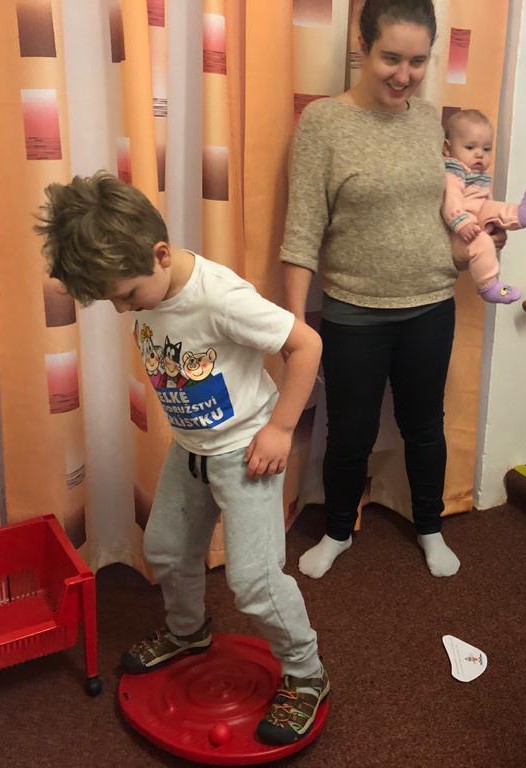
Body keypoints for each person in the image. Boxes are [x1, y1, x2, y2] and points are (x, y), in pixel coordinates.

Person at [34, 171, 329, 746]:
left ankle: (306, 671)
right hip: (192, 449)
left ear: (161, 254)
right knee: (166, 548)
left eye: (126, 297)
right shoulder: (145, 282)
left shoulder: (219, 296)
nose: (122, 309)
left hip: (247, 453)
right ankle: (189, 631)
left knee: (254, 582)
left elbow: (306, 344)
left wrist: (280, 429)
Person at [280, 0, 507, 581]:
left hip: (431, 303)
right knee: (349, 432)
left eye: (418, 61)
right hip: (354, 310)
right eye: (391, 58)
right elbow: (302, 231)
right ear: (362, 46)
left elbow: (443, 211)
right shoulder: (324, 123)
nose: (404, 75)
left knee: (424, 425)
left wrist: (478, 243)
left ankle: (430, 526)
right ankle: (337, 530)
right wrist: (294, 325)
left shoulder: (431, 121)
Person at [442, 108, 526, 304]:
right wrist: (463, 224)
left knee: (493, 207)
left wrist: (496, 224)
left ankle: (519, 215)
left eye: (486, 149)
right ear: (447, 148)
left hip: (475, 217)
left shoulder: (478, 177)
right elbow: (451, 202)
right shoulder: (453, 173)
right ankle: (489, 286)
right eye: (470, 147)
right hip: (459, 234)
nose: (479, 154)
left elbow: (486, 205)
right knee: (482, 242)